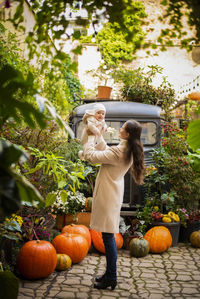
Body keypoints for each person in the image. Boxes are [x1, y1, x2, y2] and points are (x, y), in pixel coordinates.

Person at [83, 119, 145, 290]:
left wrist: (90, 138)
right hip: (112, 192)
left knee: (108, 237)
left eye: (123, 127)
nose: (121, 129)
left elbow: (91, 157)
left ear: (128, 134)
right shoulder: (126, 148)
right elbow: (108, 152)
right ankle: (110, 274)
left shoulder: (121, 150)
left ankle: (111, 276)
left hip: (108, 194)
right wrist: (99, 135)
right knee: (107, 235)